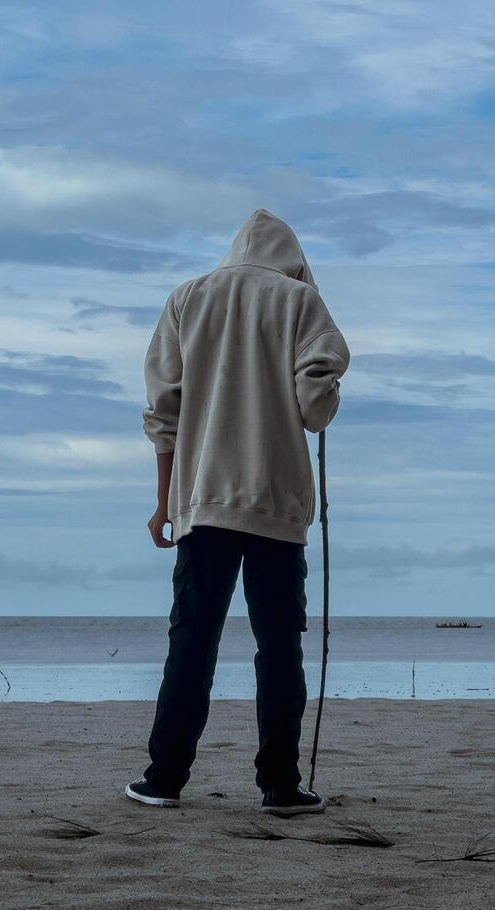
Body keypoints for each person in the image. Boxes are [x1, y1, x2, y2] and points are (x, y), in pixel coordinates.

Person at [125, 208, 351, 817]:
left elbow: (163, 411)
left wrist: (163, 503)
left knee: (191, 641)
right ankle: (280, 785)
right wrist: (329, 380)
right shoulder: (301, 302)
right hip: (277, 504)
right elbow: (314, 408)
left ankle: (164, 779)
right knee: (279, 646)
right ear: (294, 259)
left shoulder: (187, 299)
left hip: (203, 500)